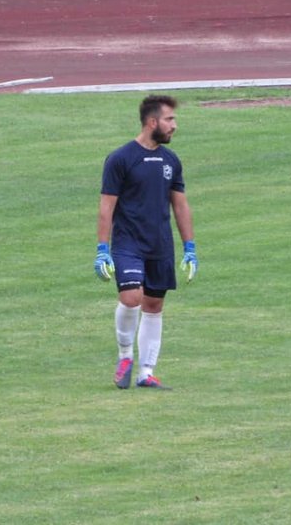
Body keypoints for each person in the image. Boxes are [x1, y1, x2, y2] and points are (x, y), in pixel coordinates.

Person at [94, 94, 198, 390]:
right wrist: (102, 249)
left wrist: (190, 246)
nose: (174, 126)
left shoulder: (171, 161)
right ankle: (125, 356)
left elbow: (180, 205)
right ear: (152, 122)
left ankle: (146, 372)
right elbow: (106, 206)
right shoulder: (121, 159)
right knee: (131, 298)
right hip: (128, 243)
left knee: (154, 305)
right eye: (169, 119)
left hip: (160, 244)